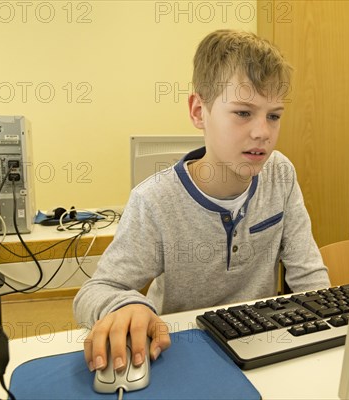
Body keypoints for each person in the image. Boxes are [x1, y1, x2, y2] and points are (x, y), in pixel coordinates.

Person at [74, 29, 330, 374]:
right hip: (182, 353)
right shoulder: (155, 200)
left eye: (273, 115)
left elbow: (308, 274)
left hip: (261, 348)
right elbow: (97, 290)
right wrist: (128, 305)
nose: (262, 133)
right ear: (199, 111)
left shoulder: (280, 174)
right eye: (243, 113)